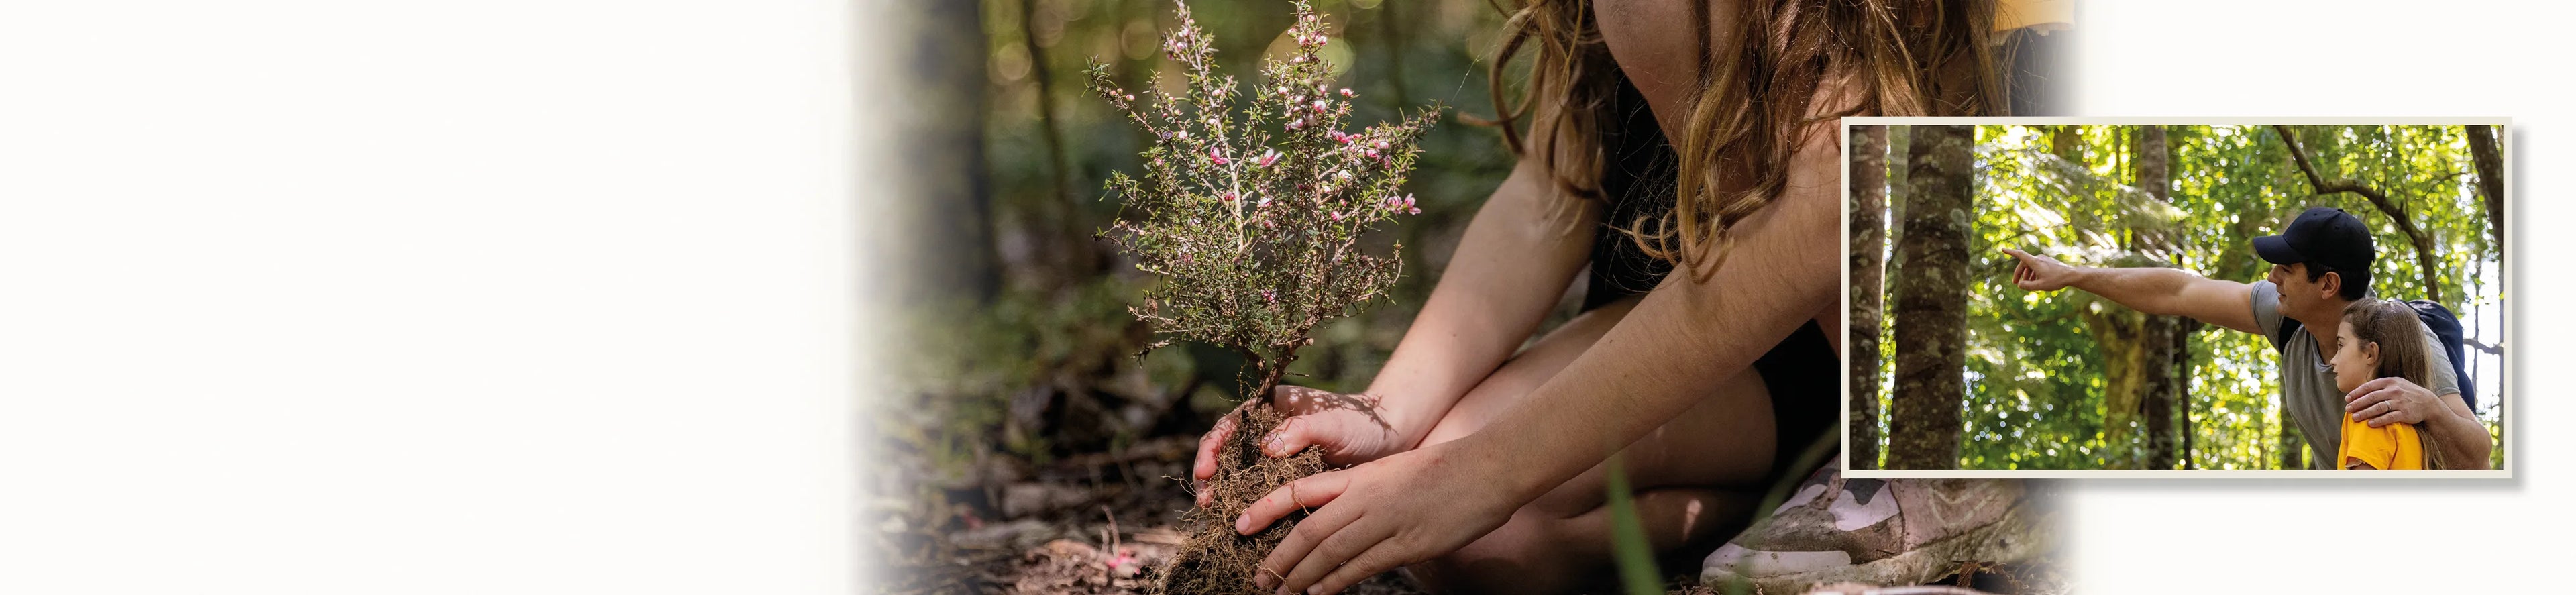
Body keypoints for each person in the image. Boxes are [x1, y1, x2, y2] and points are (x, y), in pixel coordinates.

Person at [1186, 1, 2037, 593]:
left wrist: (1482, 470)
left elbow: (1828, 213)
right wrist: (1388, 417)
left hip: (1940, 302)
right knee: (1486, 543)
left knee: (1472, 492)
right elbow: (1548, 192)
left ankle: (1959, 469)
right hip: (1743, 312)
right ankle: (1792, 490)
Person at [2003, 206, 2492, 470]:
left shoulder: (2409, 343)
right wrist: (2070, 273)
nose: (2272, 276)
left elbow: (2479, 457)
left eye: (2286, 267)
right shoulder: (2286, 317)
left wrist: (2427, 405)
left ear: (2328, 284)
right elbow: (2180, 289)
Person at [2331, 298, 2447, 470]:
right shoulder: (2418, 428)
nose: (2333, 360)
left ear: (2370, 354)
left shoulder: (2369, 415)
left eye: (2341, 345)